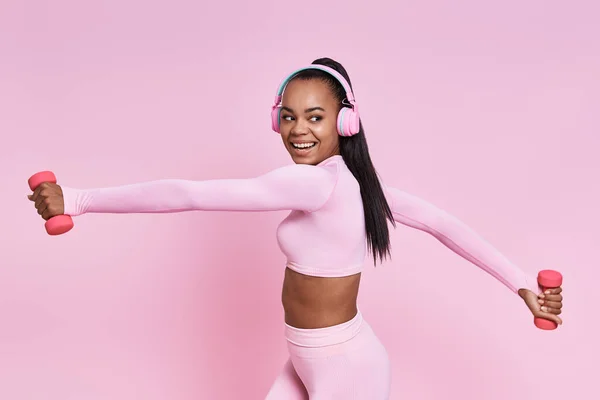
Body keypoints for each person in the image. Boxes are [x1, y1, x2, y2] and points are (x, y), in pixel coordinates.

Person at [28, 57, 564, 399]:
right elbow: (445, 225)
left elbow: (192, 194)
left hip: (346, 367)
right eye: (288, 116)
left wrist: (81, 199)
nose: (298, 129)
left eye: (315, 116)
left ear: (345, 122)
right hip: (307, 357)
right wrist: (521, 283)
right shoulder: (358, 188)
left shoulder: (320, 185)